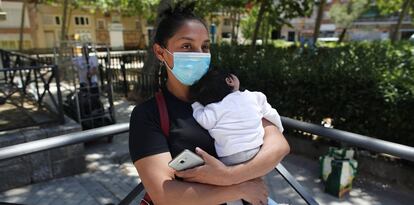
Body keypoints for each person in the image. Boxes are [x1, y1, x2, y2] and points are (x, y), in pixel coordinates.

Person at [129, 3, 290, 205]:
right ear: (161, 53)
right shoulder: (147, 115)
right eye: (187, 46)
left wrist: (228, 176)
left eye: (204, 46)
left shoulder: (225, 91)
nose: (199, 54)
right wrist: (239, 188)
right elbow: (164, 194)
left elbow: (279, 146)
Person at [190, 70, 284, 205]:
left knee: (233, 189)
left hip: (229, 157)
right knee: (254, 181)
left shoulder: (214, 108)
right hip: (256, 152)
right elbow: (272, 114)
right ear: (229, 81)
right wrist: (279, 129)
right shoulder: (255, 97)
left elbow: (204, 120)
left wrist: (196, 105)